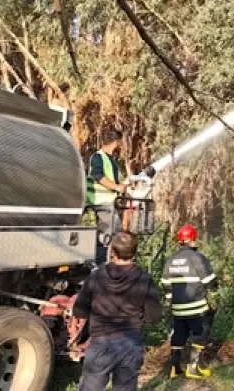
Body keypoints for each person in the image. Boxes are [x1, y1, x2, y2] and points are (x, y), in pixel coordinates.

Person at [73, 232, 162, 391]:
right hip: (130, 344)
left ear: (112, 251)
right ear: (134, 252)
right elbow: (154, 317)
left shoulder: (96, 277)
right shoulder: (144, 279)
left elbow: (79, 310)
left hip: (100, 343)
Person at [161, 224, 218, 379]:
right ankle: (192, 368)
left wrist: (171, 302)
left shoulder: (171, 259)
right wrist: (215, 291)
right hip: (197, 308)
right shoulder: (197, 258)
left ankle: (175, 369)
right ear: (193, 239)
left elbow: (165, 284)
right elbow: (210, 282)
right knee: (201, 333)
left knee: (179, 335)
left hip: (177, 309)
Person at [86, 129, 129, 266]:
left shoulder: (110, 159)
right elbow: (97, 176)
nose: (120, 145)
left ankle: (106, 263)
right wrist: (117, 187)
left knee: (111, 234)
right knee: (109, 235)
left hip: (108, 202)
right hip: (101, 202)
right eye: (120, 142)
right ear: (116, 142)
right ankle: (102, 265)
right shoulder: (98, 157)